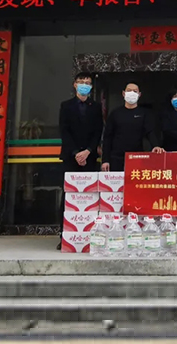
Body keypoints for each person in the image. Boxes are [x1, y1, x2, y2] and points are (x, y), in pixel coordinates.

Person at [58, 72, 103, 249]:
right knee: (68, 196)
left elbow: (98, 131)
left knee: (89, 196)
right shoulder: (66, 106)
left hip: (90, 158)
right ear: (75, 84)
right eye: (81, 81)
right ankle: (64, 235)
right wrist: (76, 153)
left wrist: (88, 151)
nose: (84, 84)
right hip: (71, 158)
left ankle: (87, 236)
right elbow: (64, 131)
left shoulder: (96, 107)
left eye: (88, 82)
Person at [101, 83, 161, 172]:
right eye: (129, 90)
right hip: (116, 158)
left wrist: (156, 146)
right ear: (123, 93)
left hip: (137, 157)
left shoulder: (144, 113)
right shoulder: (115, 113)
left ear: (139, 94)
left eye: (135, 91)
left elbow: (150, 132)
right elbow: (107, 138)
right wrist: (105, 160)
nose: (132, 93)